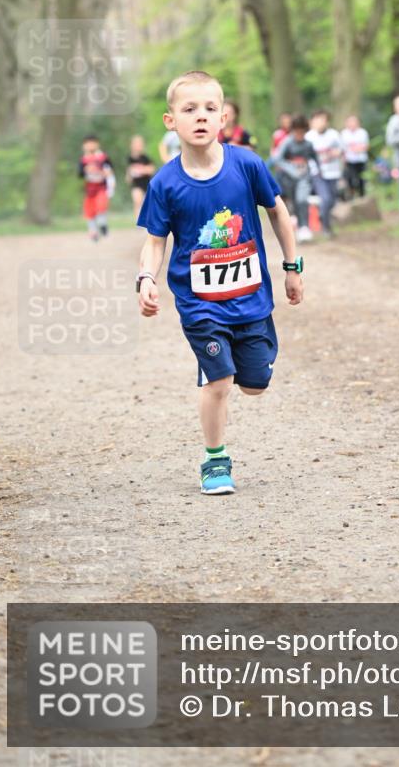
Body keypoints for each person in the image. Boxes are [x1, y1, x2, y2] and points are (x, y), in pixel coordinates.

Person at [136, 70, 303, 496]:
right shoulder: (165, 183)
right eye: (189, 109)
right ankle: (215, 461)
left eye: (210, 108)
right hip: (199, 303)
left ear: (223, 118)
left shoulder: (246, 164)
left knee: (254, 385)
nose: (201, 116)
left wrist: (292, 266)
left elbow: (279, 213)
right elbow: (155, 242)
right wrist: (145, 278)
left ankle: (230, 363)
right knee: (220, 382)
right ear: (170, 121)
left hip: (251, 299)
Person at [275, 115, 319, 244]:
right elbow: (278, 159)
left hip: (304, 177)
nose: (299, 135)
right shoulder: (287, 142)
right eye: (297, 131)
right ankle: (298, 228)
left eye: (302, 132)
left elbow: (315, 158)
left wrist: (317, 172)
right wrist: (292, 169)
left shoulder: (308, 144)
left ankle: (305, 226)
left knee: (302, 200)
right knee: (294, 202)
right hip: (289, 179)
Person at [306, 109, 343, 237]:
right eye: (317, 120)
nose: (320, 123)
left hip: (333, 172)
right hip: (317, 173)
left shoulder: (334, 135)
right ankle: (326, 227)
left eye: (322, 120)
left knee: (332, 200)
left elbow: (341, 150)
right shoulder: (309, 137)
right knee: (325, 198)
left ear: (327, 122)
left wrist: (335, 153)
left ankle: (324, 215)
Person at [78, 134, 114, 241]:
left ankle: (102, 224)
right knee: (89, 211)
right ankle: (93, 231)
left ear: (97, 144)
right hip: (89, 189)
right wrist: (85, 170)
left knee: (101, 205)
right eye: (88, 144)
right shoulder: (83, 160)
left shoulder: (103, 158)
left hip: (101, 187)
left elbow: (110, 170)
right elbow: (80, 174)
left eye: (92, 143)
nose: (90, 146)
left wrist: (103, 172)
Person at [340, 114, 370, 199]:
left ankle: (362, 196)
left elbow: (366, 146)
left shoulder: (363, 132)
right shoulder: (344, 133)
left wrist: (358, 149)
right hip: (350, 161)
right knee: (351, 179)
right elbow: (342, 148)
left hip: (361, 160)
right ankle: (351, 196)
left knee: (362, 179)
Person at [126, 135, 156, 218]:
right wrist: (128, 177)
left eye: (140, 144)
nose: (138, 146)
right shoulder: (129, 158)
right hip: (136, 184)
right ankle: (138, 220)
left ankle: (146, 219)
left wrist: (143, 170)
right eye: (136, 144)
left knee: (145, 202)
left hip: (146, 183)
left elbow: (151, 169)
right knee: (137, 200)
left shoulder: (145, 158)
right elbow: (129, 170)